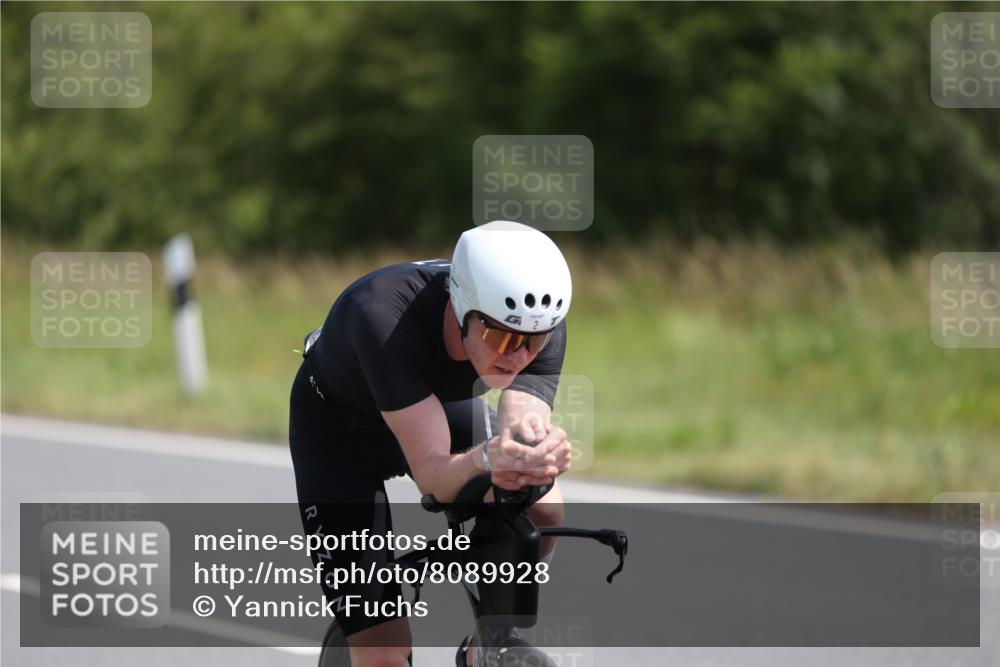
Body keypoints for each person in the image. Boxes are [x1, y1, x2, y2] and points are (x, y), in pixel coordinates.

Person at [288, 220, 574, 667]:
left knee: (541, 503)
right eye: (501, 336)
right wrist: (486, 458)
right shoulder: (383, 316)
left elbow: (520, 441)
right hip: (339, 436)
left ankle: (490, 645)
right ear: (462, 308)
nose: (517, 356)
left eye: (533, 342)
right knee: (382, 655)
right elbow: (435, 476)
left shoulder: (541, 321)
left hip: (438, 406)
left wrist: (531, 458)